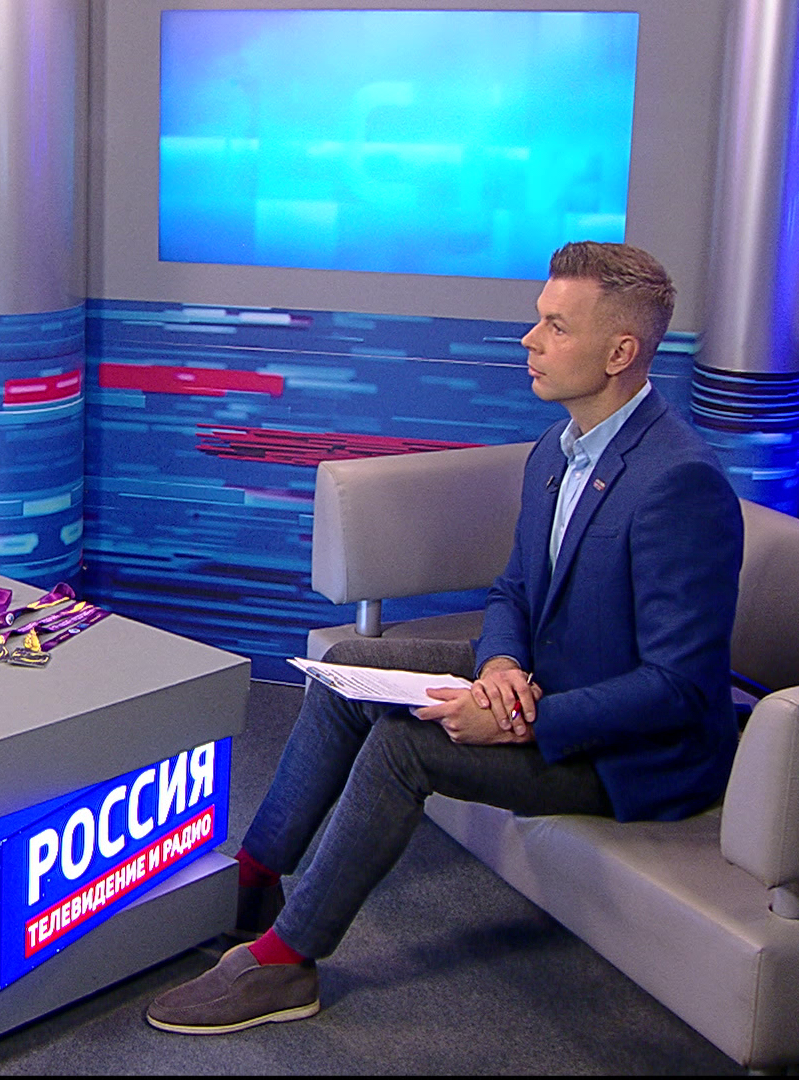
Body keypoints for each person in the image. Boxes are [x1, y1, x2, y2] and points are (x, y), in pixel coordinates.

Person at [146, 242, 744, 1035]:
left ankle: (289, 962)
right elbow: (515, 591)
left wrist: (523, 719)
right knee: (347, 668)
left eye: (556, 327)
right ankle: (255, 879)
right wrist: (501, 666)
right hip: (543, 680)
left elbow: (679, 690)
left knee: (405, 746)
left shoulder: (679, 483)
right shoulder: (556, 450)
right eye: (538, 320)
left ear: (619, 353)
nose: (530, 340)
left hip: (630, 755)